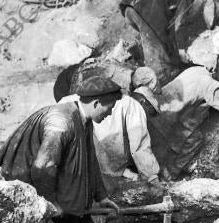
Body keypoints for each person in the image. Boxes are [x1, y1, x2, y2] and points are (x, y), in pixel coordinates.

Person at [0, 70, 122, 223]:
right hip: (29, 182)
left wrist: (101, 196)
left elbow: (90, 161)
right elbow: (43, 167)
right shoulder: (62, 123)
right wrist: (51, 202)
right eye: (109, 108)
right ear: (96, 104)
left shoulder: (84, 120)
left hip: (56, 187)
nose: (110, 113)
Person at [60, 66, 165, 199]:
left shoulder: (68, 101)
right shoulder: (132, 106)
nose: (149, 115)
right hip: (101, 172)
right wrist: (152, 178)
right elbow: (140, 147)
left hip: (75, 171)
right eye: (150, 110)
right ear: (143, 101)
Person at [149, 66, 219, 179]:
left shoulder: (198, 69)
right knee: (194, 140)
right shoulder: (210, 85)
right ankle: (169, 175)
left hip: (154, 109)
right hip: (165, 122)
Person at [120, 0, 210, 85]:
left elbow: (171, 22)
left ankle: (149, 76)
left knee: (153, 44)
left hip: (130, 7)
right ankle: (164, 82)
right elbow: (180, 21)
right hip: (144, 8)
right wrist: (181, 48)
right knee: (159, 52)